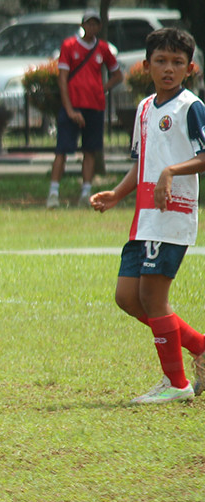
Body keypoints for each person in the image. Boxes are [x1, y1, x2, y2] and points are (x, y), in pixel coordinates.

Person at [91, 27, 205, 404]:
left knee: (154, 299)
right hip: (144, 218)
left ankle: (176, 383)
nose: (168, 69)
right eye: (161, 61)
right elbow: (143, 162)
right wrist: (117, 194)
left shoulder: (190, 107)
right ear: (146, 66)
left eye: (176, 62)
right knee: (127, 297)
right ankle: (199, 345)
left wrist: (171, 172)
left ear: (190, 68)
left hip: (171, 216)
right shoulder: (144, 108)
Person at [47, 9, 123, 209]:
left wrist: (101, 89)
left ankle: (86, 194)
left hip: (94, 107)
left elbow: (117, 75)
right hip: (72, 106)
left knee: (90, 151)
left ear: (99, 26)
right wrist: (70, 109)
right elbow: (62, 78)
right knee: (62, 150)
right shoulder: (69, 46)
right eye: (88, 23)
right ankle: (53, 194)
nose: (91, 27)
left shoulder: (103, 48)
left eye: (95, 24)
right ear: (83, 25)